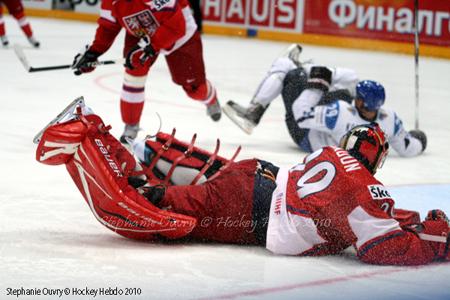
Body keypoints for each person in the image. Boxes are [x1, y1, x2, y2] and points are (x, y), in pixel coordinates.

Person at [34, 99, 449, 266]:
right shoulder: (363, 187)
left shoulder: (332, 158)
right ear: (376, 158)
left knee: (161, 191)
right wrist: (440, 241)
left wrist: (412, 220)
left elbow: (375, 215)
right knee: (151, 206)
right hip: (247, 211)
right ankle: (82, 133)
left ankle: (107, 139)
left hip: (253, 176)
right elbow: (384, 245)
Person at [223, 44, 427, 157]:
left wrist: (317, 85)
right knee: (348, 79)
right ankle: (309, 69)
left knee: (287, 70)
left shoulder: (339, 114)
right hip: (332, 133)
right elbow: (408, 147)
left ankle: (254, 112)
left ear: (362, 103)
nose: (355, 97)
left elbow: (300, 113)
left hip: (305, 134)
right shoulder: (388, 120)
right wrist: (420, 141)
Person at [71, 0, 221, 143]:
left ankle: (210, 98)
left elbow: (177, 26)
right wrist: (94, 52)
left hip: (179, 35)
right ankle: (131, 125)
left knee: (195, 89)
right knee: (133, 75)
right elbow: (108, 27)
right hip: (141, 33)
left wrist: (153, 45)